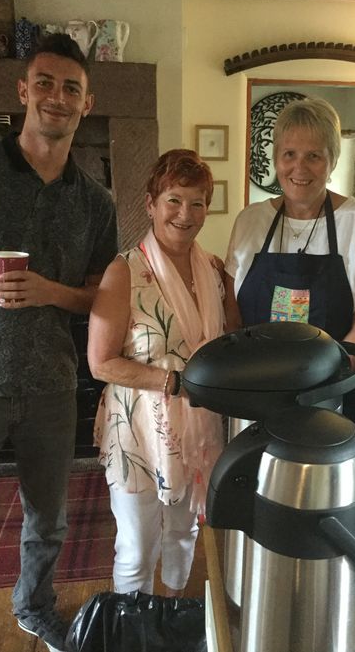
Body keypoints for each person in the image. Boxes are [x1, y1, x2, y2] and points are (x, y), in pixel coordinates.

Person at [0, 34, 118, 652]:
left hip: (51, 383)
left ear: (87, 103)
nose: (57, 97)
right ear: (22, 90)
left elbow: (101, 298)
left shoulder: (96, 201)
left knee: (49, 517)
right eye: (45, 82)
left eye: (71, 87)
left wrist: (50, 292)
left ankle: (34, 606)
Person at [88, 149, 226, 597]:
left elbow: (231, 341)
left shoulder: (214, 270)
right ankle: (132, 631)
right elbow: (100, 362)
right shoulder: (123, 271)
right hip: (139, 433)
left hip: (198, 428)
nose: (185, 214)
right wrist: (174, 382)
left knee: (184, 535)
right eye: (173, 200)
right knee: (137, 546)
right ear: (150, 203)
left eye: (197, 202)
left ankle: (169, 619)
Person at [225, 97, 355, 423]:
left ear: (332, 161)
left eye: (314, 156)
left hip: (335, 389)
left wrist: (328, 380)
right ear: (276, 159)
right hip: (258, 390)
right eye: (289, 154)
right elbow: (231, 310)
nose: (299, 167)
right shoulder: (249, 220)